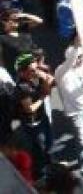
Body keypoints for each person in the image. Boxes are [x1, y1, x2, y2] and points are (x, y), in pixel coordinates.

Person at [13, 52, 54, 180]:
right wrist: (42, 98)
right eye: (32, 70)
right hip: (33, 125)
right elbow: (29, 109)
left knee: (48, 144)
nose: (35, 71)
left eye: (36, 68)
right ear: (22, 72)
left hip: (42, 118)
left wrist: (46, 80)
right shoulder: (22, 87)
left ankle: (49, 167)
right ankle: (41, 175)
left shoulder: (35, 78)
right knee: (39, 150)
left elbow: (49, 90)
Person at [55, 45, 83, 176]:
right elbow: (72, 60)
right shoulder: (61, 71)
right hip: (75, 113)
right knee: (82, 141)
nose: (81, 60)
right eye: (79, 58)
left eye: (82, 57)